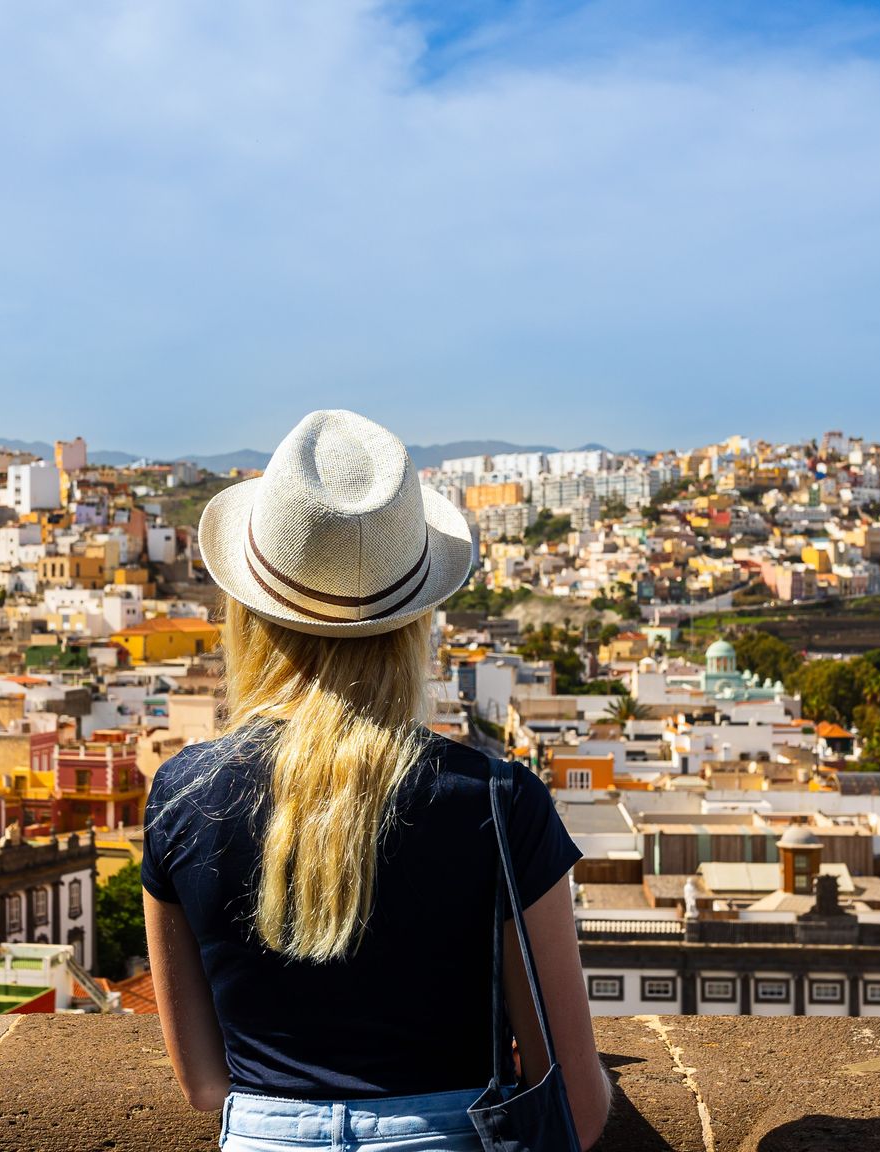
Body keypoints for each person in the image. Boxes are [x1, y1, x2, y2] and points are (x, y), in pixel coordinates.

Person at [142, 410, 610, 1151]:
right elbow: (576, 1104)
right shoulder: (497, 800)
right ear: (416, 622)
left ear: (250, 614)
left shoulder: (183, 795)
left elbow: (203, 1085)